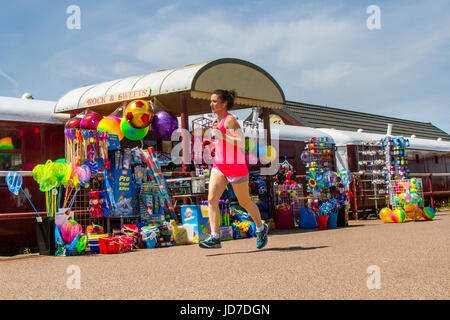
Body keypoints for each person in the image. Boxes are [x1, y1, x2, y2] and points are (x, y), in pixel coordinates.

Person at [199, 89, 268, 249]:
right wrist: (212, 145)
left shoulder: (229, 121)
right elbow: (222, 143)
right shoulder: (216, 121)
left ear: (224, 103)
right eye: (211, 101)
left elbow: (242, 142)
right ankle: (215, 237)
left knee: (244, 202)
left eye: (215, 101)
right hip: (219, 166)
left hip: (236, 167)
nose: (211, 104)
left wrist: (222, 136)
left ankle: (261, 228)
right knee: (211, 200)